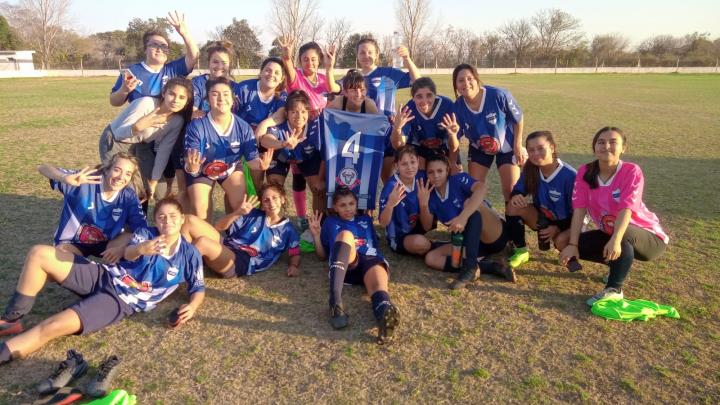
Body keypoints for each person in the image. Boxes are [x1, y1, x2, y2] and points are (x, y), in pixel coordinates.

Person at [0, 197, 205, 364]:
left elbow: (198, 287)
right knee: (39, 253)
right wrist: (142, 249)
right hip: (105, 275)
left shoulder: (189, 254)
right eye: (161, 217)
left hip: (120, 301)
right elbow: (130, 253)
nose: (167, 221)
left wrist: (193, 306)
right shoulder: (146, 233)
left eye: (172, 216)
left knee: (51, 326)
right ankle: (12, 319)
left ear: (182, 219)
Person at [560, 127, 668, 305]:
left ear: (623, 147)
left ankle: (614, 290)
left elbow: (627, 208)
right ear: (594, 147)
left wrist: (616, 239)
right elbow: (579, 209)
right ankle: (617, 266)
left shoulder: (631, 171)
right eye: (601, 142)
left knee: (621, 236)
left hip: (649, 238)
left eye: (613, 142)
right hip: (612, 232)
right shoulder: (585, 172)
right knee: (567, 242)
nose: (606, 146)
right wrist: (572, 244)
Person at [307, 187, 400, 344]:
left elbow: (375, 243)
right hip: (348, 263)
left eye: (351, 203)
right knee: (346, 235)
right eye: (343, 205)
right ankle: (335, 302)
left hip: (369, 260)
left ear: (357, 204)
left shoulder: (366, 220)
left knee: (378, 284)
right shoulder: (330, 222)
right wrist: (316, 235)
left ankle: (384, 315)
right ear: (335, 207)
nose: (348, 208)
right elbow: (322, 255)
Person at [419, 154, 516, 289]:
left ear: (447, 170)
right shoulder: (431, 196)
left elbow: (481, 188)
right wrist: (423, 205)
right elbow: (427, 226)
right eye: (431, 172)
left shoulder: (458, 179)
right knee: (431, 258)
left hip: (494, 235)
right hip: (471, 243)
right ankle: (492, 267)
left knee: (469, 203)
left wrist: (463, 217)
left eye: (440, 171)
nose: (435, 175)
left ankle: (469, 268)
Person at [183, 76, 272, 220]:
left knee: (240, 204)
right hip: (201, 170)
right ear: (207, 100)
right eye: (214, 94)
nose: (221, 98)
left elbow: (251, 160)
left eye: (225, 94)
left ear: (232, 99)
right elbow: (191, 162)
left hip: (229, 168)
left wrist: (261, 165)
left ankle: (234, 237)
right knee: (200, 210)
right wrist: (192, 168)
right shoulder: (197, 126)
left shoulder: (243, 127)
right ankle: (205, 238)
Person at [37, 153, 147, 262]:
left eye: (128, 174)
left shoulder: (129, 196)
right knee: (60, 260)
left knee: (135, 245)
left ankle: (120, 275)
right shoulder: (84, 181)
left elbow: (142, 230)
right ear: (107, 169)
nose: (121, 177)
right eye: (117, 170)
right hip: (73, 242)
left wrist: (122, 249)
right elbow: (42, 168)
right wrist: (64, 178)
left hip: (107, 242)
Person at [99, 77, 194, 203]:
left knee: (160, 190)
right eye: (172, 94)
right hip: (115, 141)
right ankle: (124, 216)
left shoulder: (177, 121)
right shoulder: (146, 104)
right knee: (131, 188)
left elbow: (164, 151)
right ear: (164, 92)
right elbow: (118, 134)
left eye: (182, 97)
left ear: (187, 102)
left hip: (141, 144)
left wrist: (154, 180)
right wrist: (138, 126)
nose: (176, 100)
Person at [181, 182, 301, 277]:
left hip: (241, 261)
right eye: (266, 200)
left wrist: (294, 266)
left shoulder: (288, 230)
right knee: (188, 220)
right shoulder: (253, 214)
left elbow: (295, 253)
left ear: (283, 199)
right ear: (262, 205)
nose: (271, 203)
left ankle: (175, 271)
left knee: (202, 242)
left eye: (275, 198)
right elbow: (218, 227)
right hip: (226, 246)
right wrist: (237, 213)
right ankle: (182, 260)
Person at [452, 63, 525, 202]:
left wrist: (517, 145)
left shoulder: (498, 95)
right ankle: (486, 220)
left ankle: (513, 223)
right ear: (456, 85)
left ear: (477, 79)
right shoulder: (458, 108)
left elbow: (519, 118)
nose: (466, 83)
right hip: (479, 149)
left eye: (469, 78)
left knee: (511, 192)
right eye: (460, 80)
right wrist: (453, 163)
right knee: (474, 190)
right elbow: (454, 139)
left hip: (507, 147)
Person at [505, 131, 577, 268]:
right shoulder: (531, 168)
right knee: (513, 206)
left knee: (561, 242)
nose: (535, 153)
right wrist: (516, 195)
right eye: (531, 150)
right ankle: (521, 251)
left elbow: (580, 213)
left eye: (540, 148)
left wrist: (557, 228)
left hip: (567, 223)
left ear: (552, 148)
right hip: (543, 218)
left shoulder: (570, 176)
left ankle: (568, 248)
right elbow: (518, 189)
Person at [355, 37, 421, 182]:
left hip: (387, 134)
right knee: (363, 181)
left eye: (370, 52)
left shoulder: (388, 74)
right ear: (357, 55)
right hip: (363, 135)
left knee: (388, 180)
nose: (366, 56)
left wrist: (407, 58)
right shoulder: (353, 77)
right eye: (362, 52)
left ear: (377, 54)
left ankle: (390, 205)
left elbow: (418, 81)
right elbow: (336, 92)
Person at [109, 11, 199, 106]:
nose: (160, 49)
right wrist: (124, 90)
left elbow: (194, 56)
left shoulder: (173, 70)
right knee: (145, 103)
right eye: (154, 45)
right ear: (145, 49)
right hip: (141, 117)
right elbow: (114, 102)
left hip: (168, 119)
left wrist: (185, 34)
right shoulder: (132, 72)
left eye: (164, 46)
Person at [260, 90, 326, 213]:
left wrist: (320, 179)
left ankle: (319, 225)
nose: (299, 116)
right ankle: (273, 220)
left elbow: (325, 153)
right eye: (294, 112)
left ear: (309, 112)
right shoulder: (280, 127)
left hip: (307, 158)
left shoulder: (315, 126)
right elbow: (265, 140)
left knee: (319, 189)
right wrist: (283, 143)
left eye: (303, 112)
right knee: (274, 188)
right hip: (281, 157)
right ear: (286, 113)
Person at [234, 57, 289, 189]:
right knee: (244, 185)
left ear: (282, 78)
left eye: (277, 73)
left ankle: (258, 208)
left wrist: (263, 125)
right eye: (268, 70)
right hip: (243, 142)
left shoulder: (282, 95)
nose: (271, 75)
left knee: (261, 185)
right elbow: (230, 113)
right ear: (261, 72)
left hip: (267, 142)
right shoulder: (245, 88)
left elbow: (281, 114)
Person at [389, 77, 460, 172]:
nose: (424, 101)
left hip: (444, 147)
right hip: (419, 148)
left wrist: (453, 162)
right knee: (420, 176)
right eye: (419, 96)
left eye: (429, 95)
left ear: (435, 95)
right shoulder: (408, 110)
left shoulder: (447, 106)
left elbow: (453, 145)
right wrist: (397, 129)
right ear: (413, 98)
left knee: (456, 174)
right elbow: (398, 146)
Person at [378, 145, 433, 256]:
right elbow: (383, 223)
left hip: (418, 228)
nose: (409, 167)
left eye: (412, 162)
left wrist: (424, 204)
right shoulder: (391, 187)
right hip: (399, 236)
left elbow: (427, 226)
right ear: (396, 166)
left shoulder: (422, 179)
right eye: (404, 164)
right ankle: (437, 247)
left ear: (418, 161)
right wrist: (390, 205)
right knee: (421, 243)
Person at [192, 41, 234, 117]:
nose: (219, 66)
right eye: (215, 62)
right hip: (203, 125)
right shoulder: (198, 83)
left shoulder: (234, 87)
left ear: (230, 65)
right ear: (209, 63)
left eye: (224, 63)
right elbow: (194, 112)